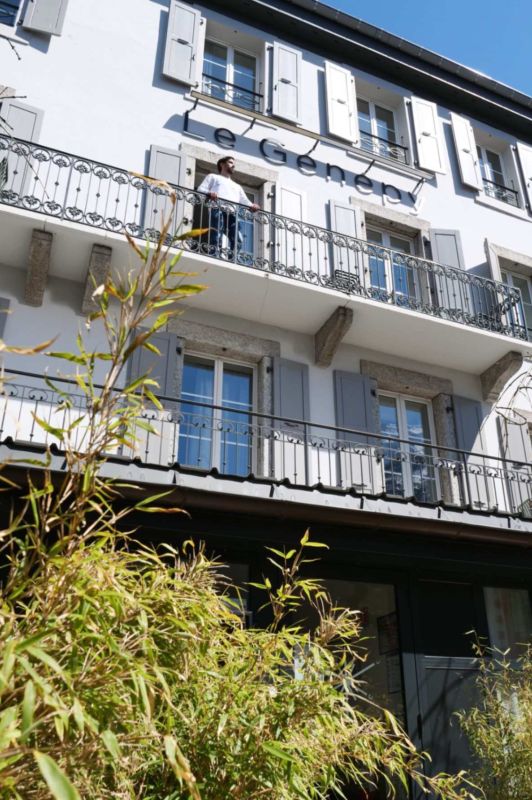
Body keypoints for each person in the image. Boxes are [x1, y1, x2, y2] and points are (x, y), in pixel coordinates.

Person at [197, 156, 260, 257]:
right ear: (222, 164)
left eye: (234, 163)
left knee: (238, 239)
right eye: (230, 162)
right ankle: (215, 255)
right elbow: (200, 190)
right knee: (217, 235)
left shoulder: (237, 186)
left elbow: (245, 201)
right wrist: (209, 193)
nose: (233, 165)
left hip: (232, 213)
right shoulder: (213, 177)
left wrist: (252, 206)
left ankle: (233, 259)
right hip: (217, 209)